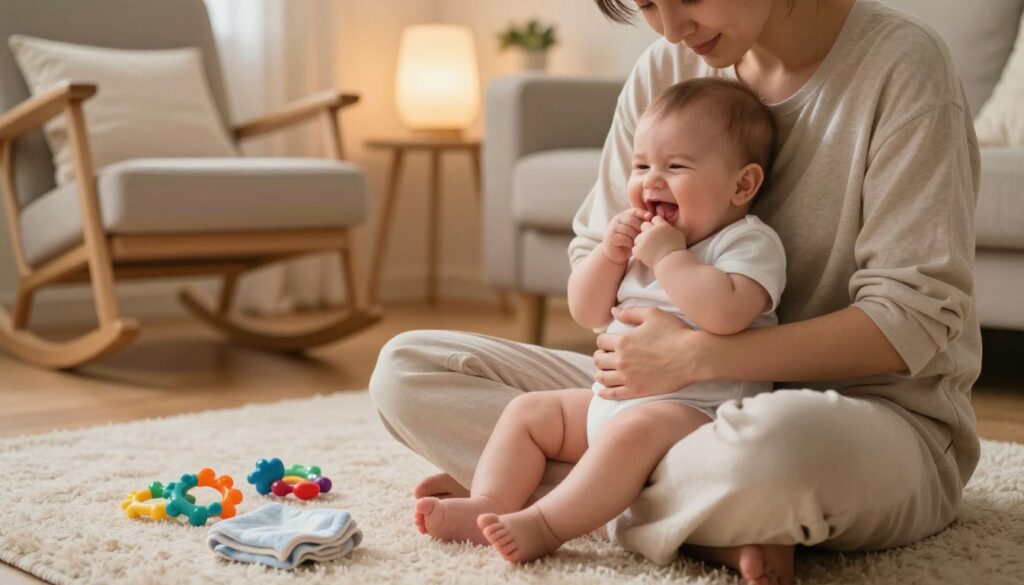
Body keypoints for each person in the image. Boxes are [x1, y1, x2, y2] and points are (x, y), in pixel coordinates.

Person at [370, 0, 981, 583]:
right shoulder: (670, 68)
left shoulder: (902, 66)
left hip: (854, 417)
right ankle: (702, 521)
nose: (669, 30)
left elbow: (912, 319)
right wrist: (645, 328)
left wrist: (699, 357)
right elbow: (595, 258)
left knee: (774, 455)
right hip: (649, 396)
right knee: (408, 369)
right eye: (648, 6)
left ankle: (561, 497)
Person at [414, 77, 788, 564]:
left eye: (675, 167)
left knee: (634, 436)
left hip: (699, 416)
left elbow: (726, 313)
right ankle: (492, 501)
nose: (651, 181)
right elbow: (587, 312)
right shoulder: (640, 240)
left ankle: (547, 522)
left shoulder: (745, 242)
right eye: (641, 166)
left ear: (742, 184)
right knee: (529, 413)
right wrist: (609, 258)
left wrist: (671, 260)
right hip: (608, 403)